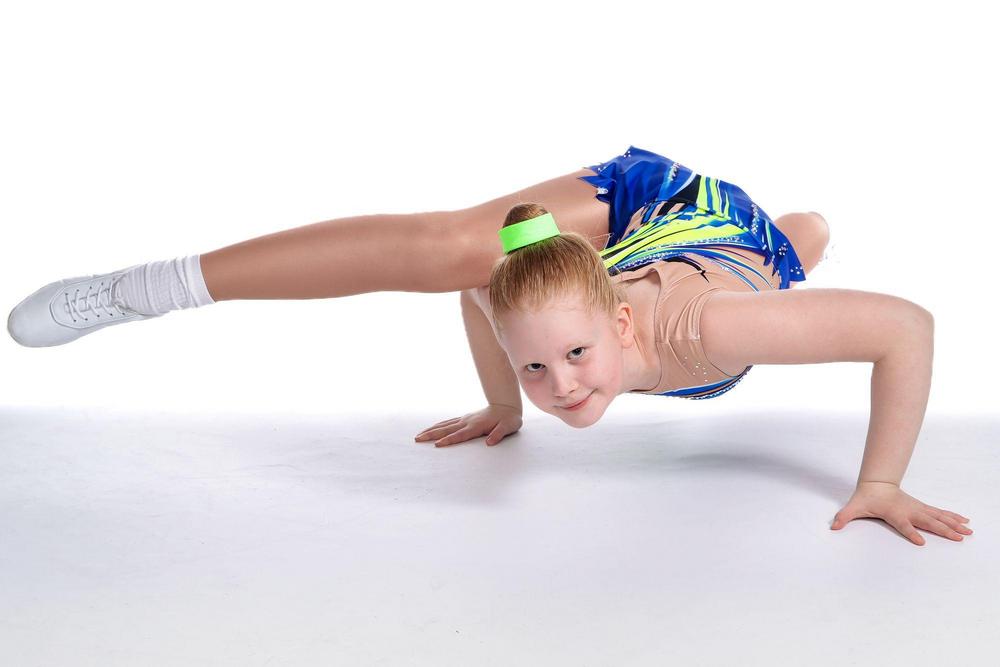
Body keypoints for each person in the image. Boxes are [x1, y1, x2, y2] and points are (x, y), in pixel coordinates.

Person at [6, 145, 972, 546]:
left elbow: (905, 327)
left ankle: (802, 231)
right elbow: (483, 295)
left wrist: (881, 481)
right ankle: (142, 289)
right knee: (460, 251)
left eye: (568, 362)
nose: (563, 388)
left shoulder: (715, 330)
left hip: (702, 233)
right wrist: (508, 400)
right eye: (536, 368)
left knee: (787, 250)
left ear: (621, 326)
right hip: (639, 228)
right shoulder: (561, 323)